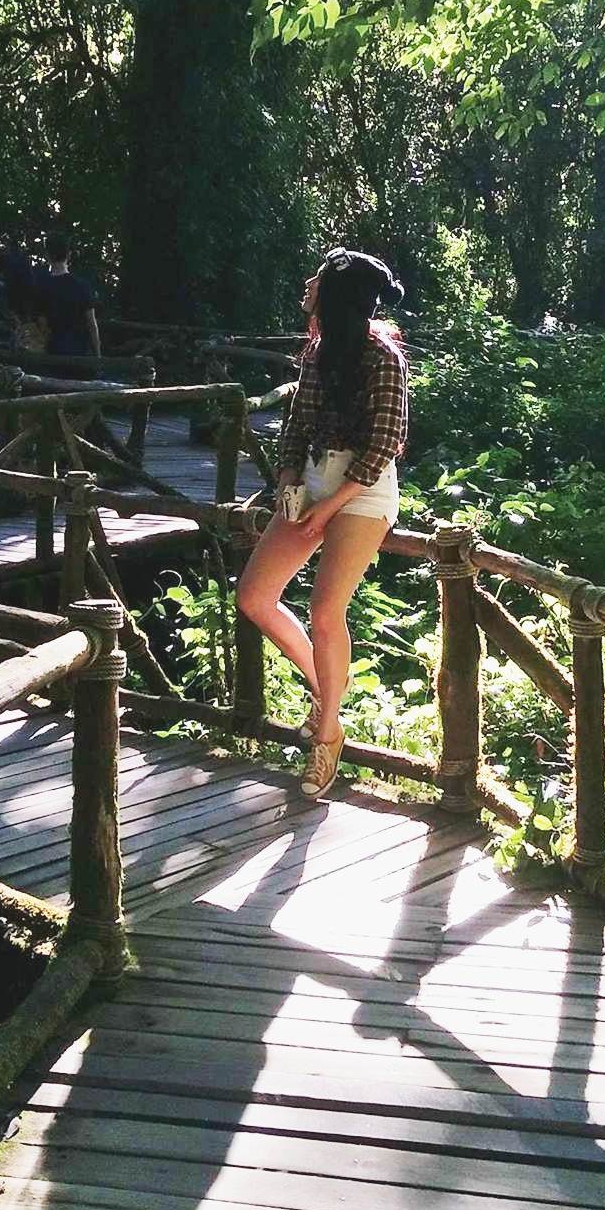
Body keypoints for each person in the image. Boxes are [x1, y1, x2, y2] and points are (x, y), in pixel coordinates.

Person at [238, 249, 408, 799]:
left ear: (338, 296)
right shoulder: (317, 350)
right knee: (255, 595)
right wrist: (288, 480)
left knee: (325, 609)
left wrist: (329, 507)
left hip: (362, 491)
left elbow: (384, 444)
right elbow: (296, 425)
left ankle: (328, 733)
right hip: (312, 480)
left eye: (318, 279)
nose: (307, 284)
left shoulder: (383, 358)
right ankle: (325, 687)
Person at [36, 236, 101, 360]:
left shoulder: (42, 287)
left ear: (47, 255)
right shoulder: (82, 286)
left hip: (54, 353)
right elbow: (92, 325)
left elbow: (43, 326)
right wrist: (98, 356)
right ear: (69, 255)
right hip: (80, 354)